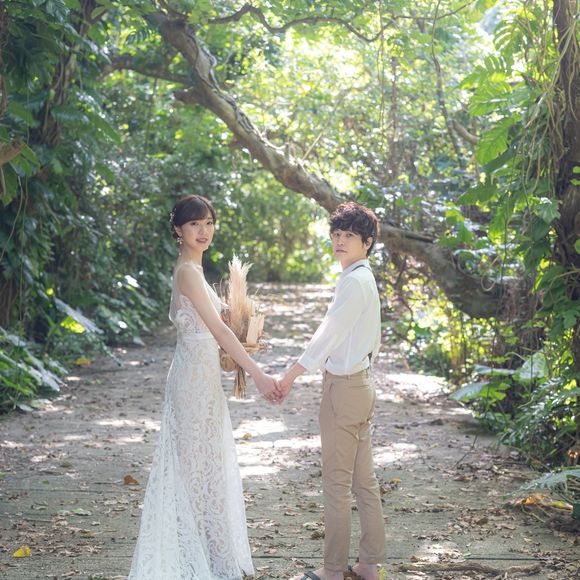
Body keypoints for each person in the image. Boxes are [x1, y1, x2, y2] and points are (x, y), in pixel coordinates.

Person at [128, 194, 280, 580]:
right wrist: (258, 374)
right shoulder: (188, 273)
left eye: (209, 223)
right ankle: (186, 560)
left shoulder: (195, 269)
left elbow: (220, 333)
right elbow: (218, 331)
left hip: (203, 378)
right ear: (178, 230)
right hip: (191, 382)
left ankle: (205, 556)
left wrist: (240, 345)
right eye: (195, 224)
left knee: (205, 466)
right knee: (192, 468)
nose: (203, 231)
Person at [280, 202, 387, 580]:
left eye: (350, 236)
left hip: (346, 388)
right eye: (336, 234)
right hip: (360, 384)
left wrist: (289, 377)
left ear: (367, 242)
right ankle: (369, 565)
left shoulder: (355, 281)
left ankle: (332, 569)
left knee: (338, 484)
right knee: (363, 482)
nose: (340, 241)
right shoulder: (361, 277)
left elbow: (327, 336)